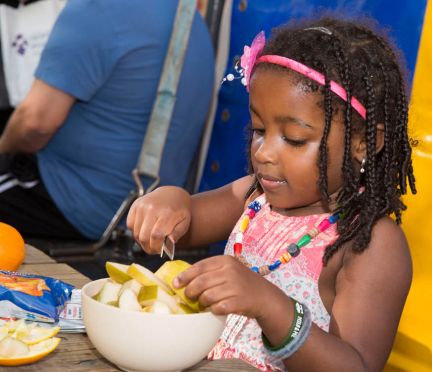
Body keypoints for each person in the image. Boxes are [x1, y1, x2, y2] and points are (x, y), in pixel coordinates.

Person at [127, 16, 416, 371]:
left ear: (361, 144)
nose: (263, 152)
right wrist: (169, 201)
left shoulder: (369, 243)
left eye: (294, 139)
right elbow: (188, 222)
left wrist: (271, 307)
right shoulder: (255, 197)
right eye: (260, 130)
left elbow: (354, 366)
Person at [0, 0, 214, 240]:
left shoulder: (97, 8)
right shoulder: (189, 18)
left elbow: (34, 124)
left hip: (81, 202)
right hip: (148, 211)